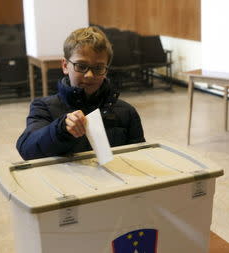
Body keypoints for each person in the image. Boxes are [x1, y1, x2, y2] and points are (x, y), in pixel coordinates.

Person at [17, 26, 145, 160]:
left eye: (98, 68)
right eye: (81, 66)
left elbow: (140, 157)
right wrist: (60, 129)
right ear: (65, 66)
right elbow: (27, 150)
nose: (89, 75)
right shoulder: (43, 107)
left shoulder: (127, 112)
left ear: (106, 70)